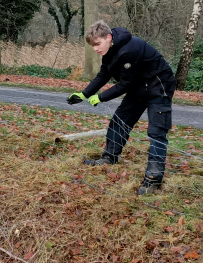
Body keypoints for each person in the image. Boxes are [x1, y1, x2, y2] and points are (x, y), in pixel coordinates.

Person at [67, 20, 176, 195]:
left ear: (108, 37)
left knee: (157, 133)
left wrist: (100, 97)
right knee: (120, 121)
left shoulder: (128, 50)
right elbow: (104, 74)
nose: (95, 48)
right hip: (139, 86)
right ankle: (109, 157)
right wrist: (84, 94)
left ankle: (153, 179)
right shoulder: (110, 51)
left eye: (97, 44)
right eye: (92, 45)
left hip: (159, 87)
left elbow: (124, 84)